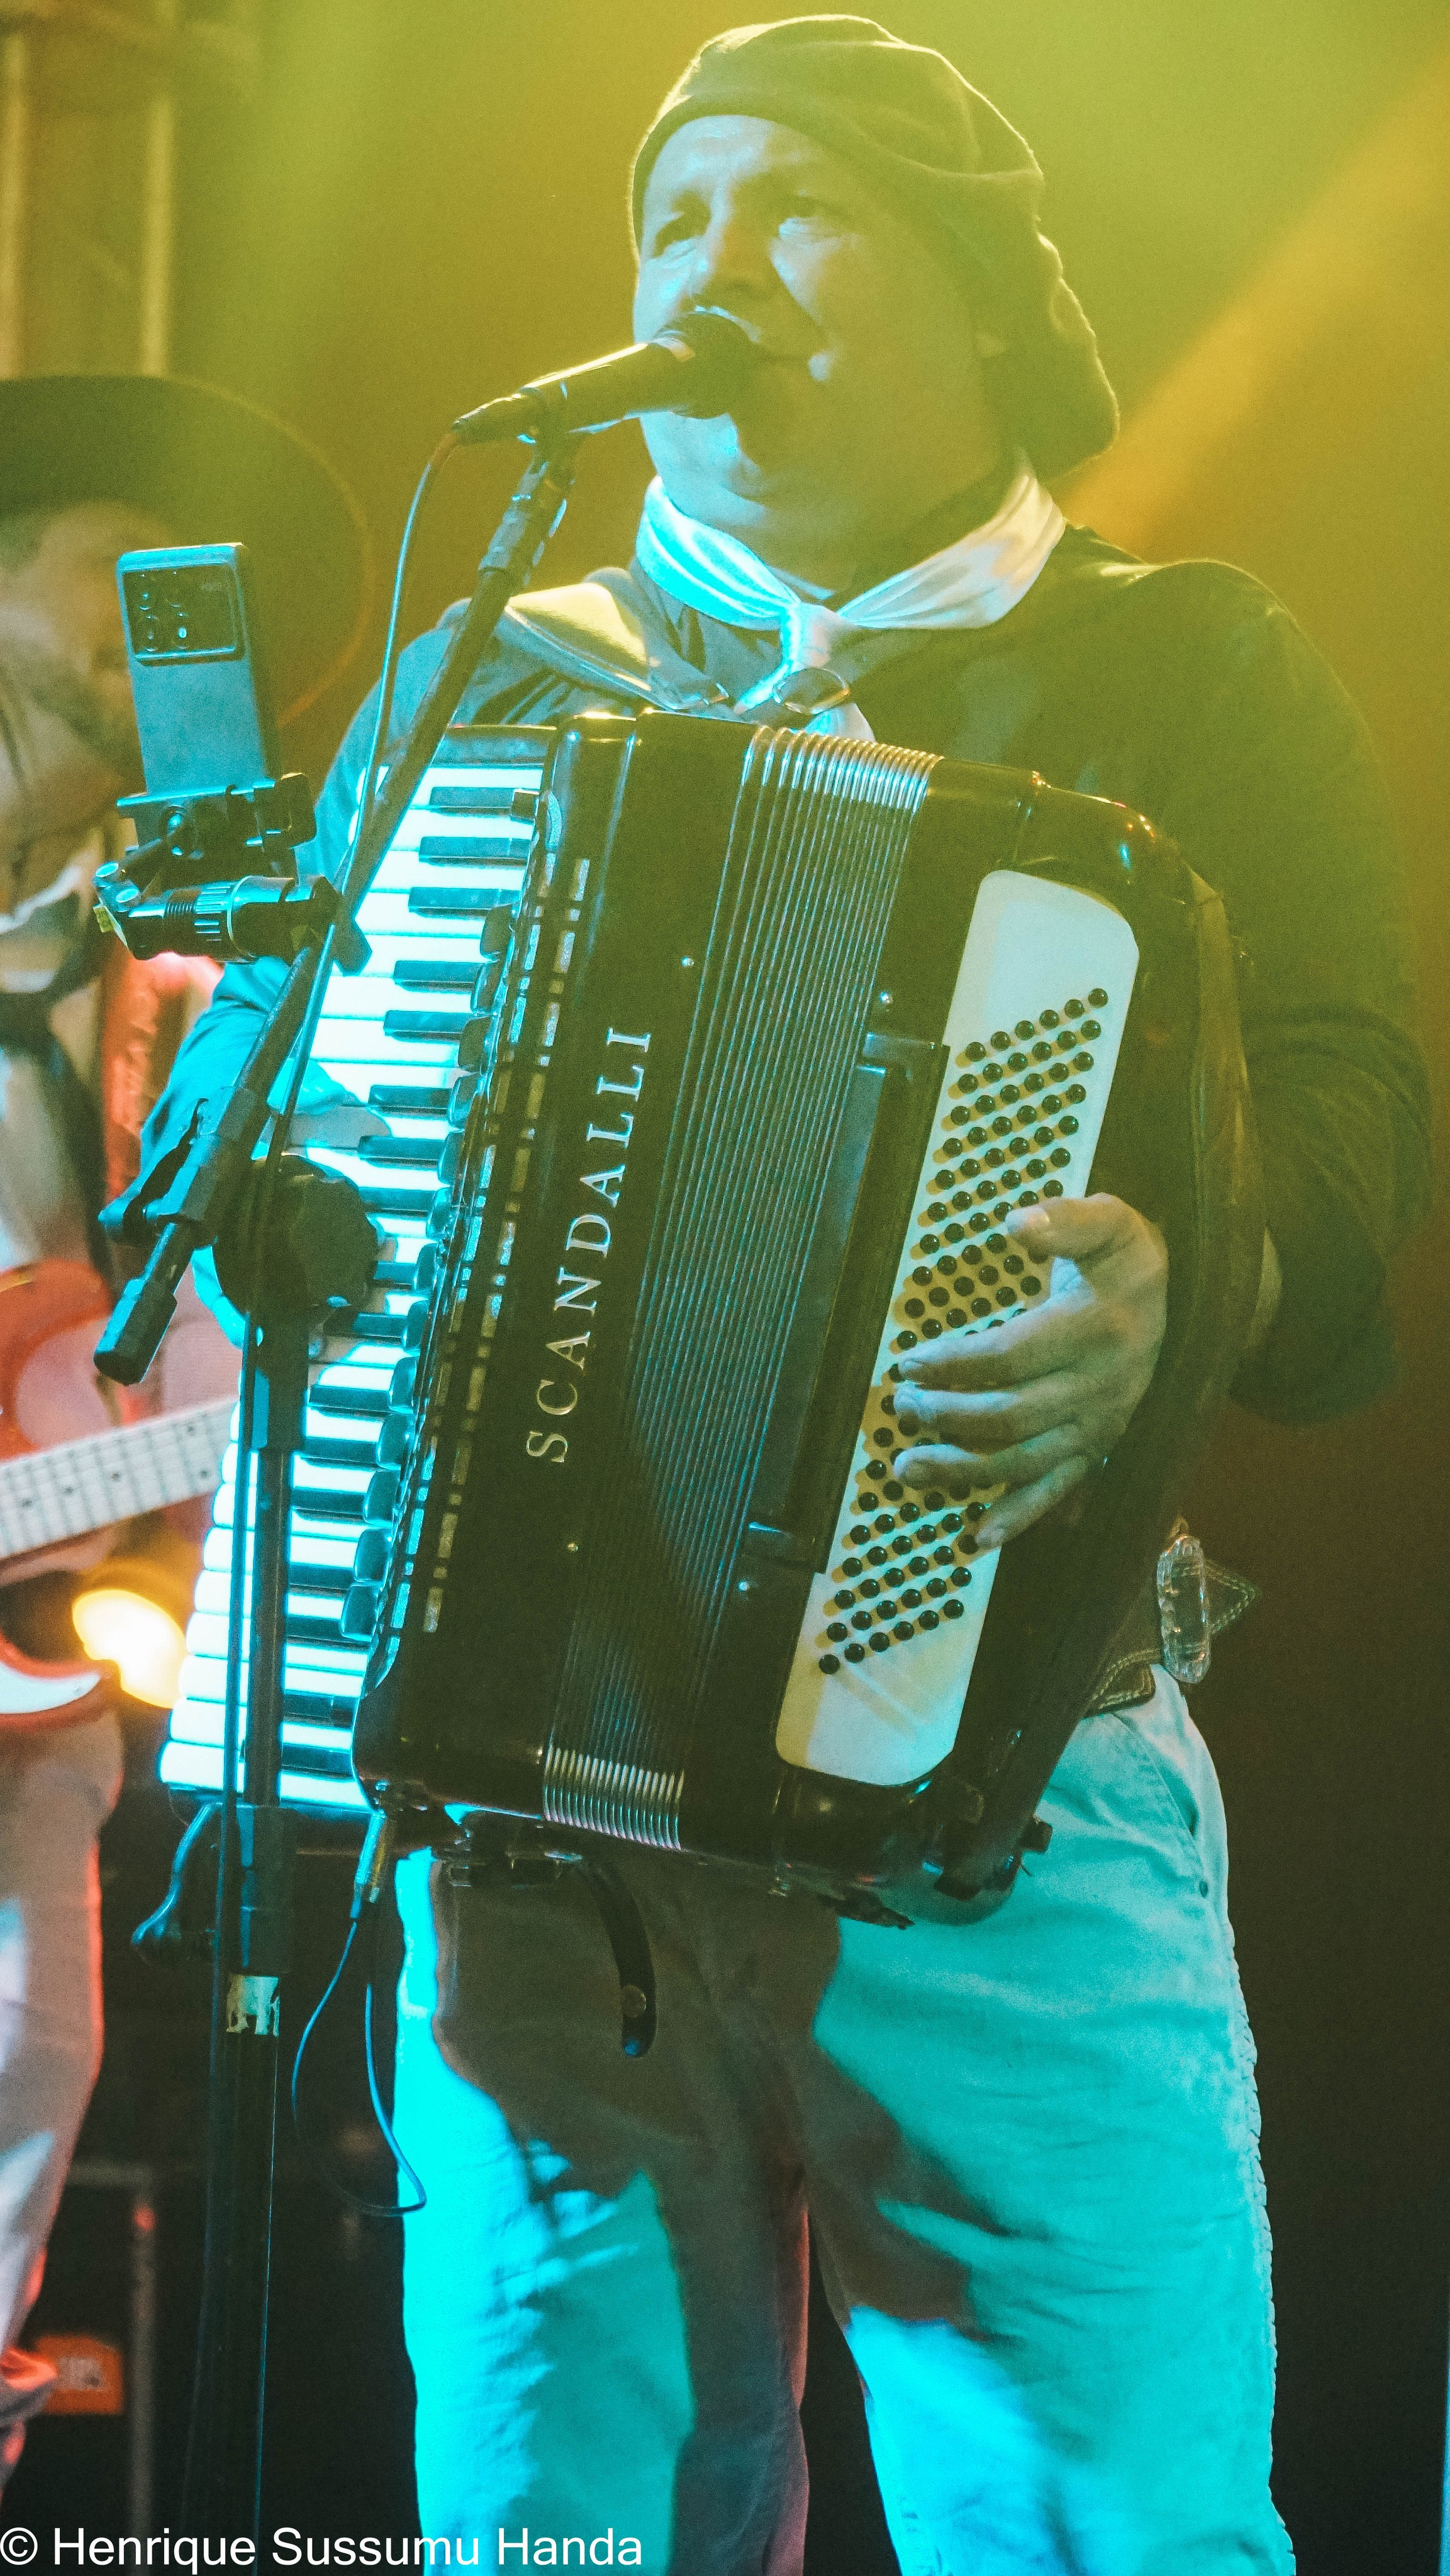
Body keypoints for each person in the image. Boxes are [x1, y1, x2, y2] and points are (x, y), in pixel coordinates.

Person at [133, 18, 1430, 2573]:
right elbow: (231, 1157)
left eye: (789, 207)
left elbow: (1353, 1146)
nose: (710, 267)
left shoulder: (1185, 666)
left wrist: (1174, 1276)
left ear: (975, 293)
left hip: (1011, 1789)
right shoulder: (504, 670)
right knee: (554, 2537)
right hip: (534, 1829)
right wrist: (302, 1161)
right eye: (670, 224)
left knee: (1112, 2536)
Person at [0, 375, 367, 2489]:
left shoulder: (195, 987)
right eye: (141, 552)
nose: (191, 615)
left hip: (31, 1736)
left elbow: (192, 1389)